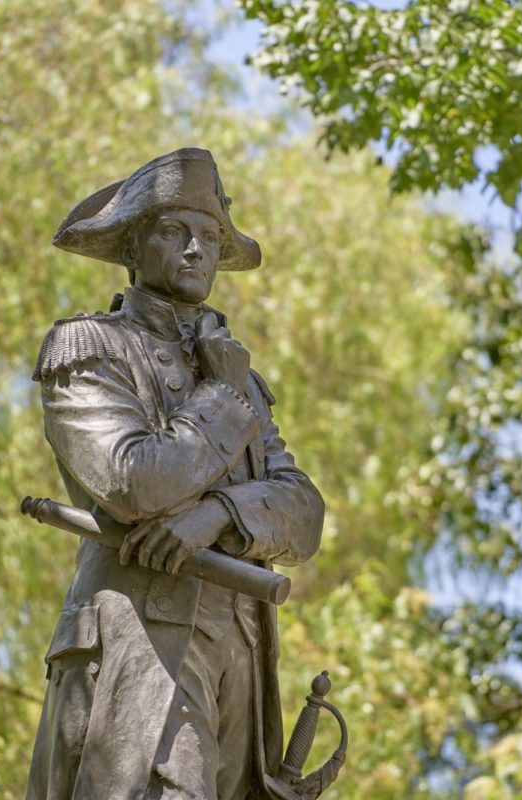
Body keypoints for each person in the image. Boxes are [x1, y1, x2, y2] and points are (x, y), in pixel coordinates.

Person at [25, 148, 324, 800]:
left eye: (210, 237)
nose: (196, 250)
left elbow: (302, 512)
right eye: (173, 232)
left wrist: (215, 516)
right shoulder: (90, 348)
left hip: (239, 669)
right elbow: (135, 484)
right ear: (133, 245)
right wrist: (220, 402)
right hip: (142, 655)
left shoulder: (238, 376)